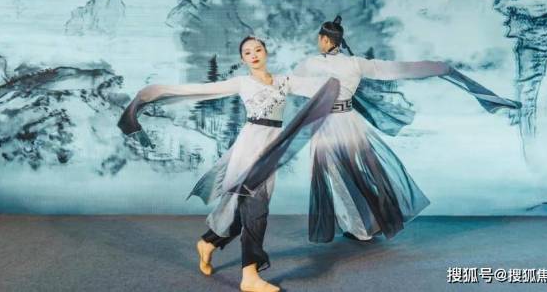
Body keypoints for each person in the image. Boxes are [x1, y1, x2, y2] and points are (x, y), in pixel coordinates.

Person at [228, 17, 520, 244]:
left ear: (324, 40)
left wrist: (257, 86)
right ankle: (365, 225)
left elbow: (287, 84)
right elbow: (399, 68)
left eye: (320, 39)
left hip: (327, 124)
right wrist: (440, 68)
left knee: (339, 178)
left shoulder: (311, 63)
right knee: (361, 173)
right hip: (350, 121)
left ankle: (362, 227)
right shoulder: (357, 63)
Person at [118, 36, 339, 292]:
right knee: (256, 210)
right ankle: (250, 277)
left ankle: (208, 243)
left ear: (266, 52)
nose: (254, 55)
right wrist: (151, 93)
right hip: (248, 150)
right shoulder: (242, 82)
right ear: (243, 59)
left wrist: (340, 73)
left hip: (271, 151)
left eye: (258, 50)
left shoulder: (284, 81)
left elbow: (323, 86)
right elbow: (195, 90)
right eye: (247, 52)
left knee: (240, 212)